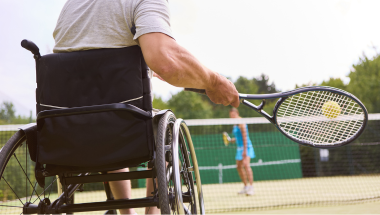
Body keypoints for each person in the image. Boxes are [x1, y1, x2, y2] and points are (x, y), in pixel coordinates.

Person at [53, 0, 239, 214]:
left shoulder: (71, 5)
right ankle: (152, 211)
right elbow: (165, 61)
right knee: (160, 127)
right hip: (122, 126)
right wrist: (214, 82)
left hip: (67, 129)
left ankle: (126, 212)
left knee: (110, 121)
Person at [229, 108, 255, 196]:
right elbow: (238, 137)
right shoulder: (234, 124)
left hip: (246, 147)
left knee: (246, 165)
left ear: (237, 114)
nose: (232, 117)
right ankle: (246, 187)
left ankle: (251, 188)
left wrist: (244, 150)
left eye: (233, 115)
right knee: (239, 167)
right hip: (239, 147)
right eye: (231, 116)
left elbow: (244, 136)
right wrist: (233, 140)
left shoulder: (241, 122)